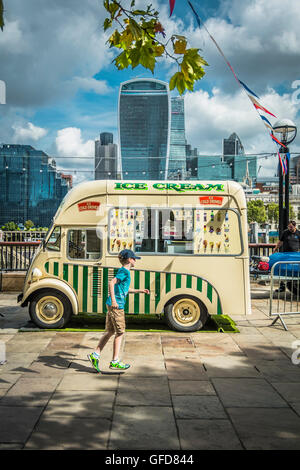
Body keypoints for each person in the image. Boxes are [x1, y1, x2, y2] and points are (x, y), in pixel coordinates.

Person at [87, 249, 150, 372]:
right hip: (117, 306)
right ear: (129, 260)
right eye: (134, 258)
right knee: (120, 332)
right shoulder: (124, 272)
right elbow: (111, 283)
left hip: (111, 304)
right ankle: (115, 361)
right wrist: (115, 301)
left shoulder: (124, 271)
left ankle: (95, 355)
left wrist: (139, 291)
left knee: (110, 331)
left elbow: (124, 289)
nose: (135, 260)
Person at [273, 220, 300, 292]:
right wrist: (275, 249)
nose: (289, 228)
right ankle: (282, 286)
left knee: (293, 270)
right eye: (288, 227)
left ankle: (294, 285)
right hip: (285, 254)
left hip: (295, 255)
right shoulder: (285, 232)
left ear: (295, 226)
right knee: (283, 270)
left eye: (291, 227)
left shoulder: (298, 233)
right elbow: (280, 242)